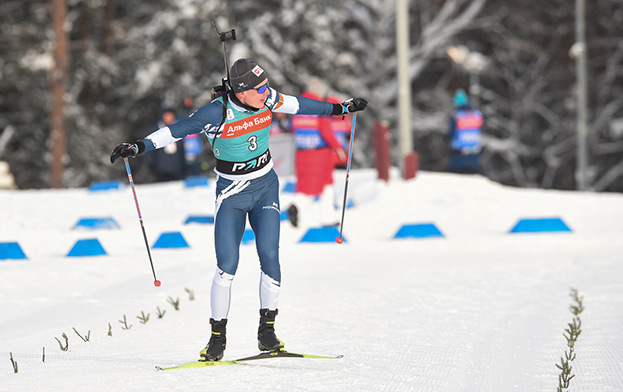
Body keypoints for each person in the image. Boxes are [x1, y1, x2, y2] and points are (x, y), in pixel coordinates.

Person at [110, 58, 367, 361]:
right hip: (232, 195)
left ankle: (267, 333)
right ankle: (217, 338)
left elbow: (301, 106)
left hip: (265, 187)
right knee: (227, 265)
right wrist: (138, 147)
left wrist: (341, 109)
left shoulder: (268, 99)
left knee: (270, 255)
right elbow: (175, 131)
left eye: (266, 85)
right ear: (242, 91)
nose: (266, 92)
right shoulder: (215, 113)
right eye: (259, 88)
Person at [290, 79, 347, 227]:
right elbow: (326, 132)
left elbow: (293, 128)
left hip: (301, 153)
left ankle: (324, 215)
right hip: (320, 155)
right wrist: (339, 148)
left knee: (307, 185)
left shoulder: (298, 107)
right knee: (321, 185)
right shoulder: (321, 109)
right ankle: (297, 206)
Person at [143, 107, 186, 182]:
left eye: (171, 116)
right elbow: (149, 149)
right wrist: (150, 165)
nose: (169, 118)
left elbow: (183, 149)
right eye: (167, 116)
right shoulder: (156, 130)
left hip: (177, 169)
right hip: (160, 170)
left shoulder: (179, 129)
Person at [447, 89, 484, 174]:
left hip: (458, 155)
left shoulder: (456, 115)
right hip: (474, 153)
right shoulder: (477, 114)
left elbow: (451, 134)